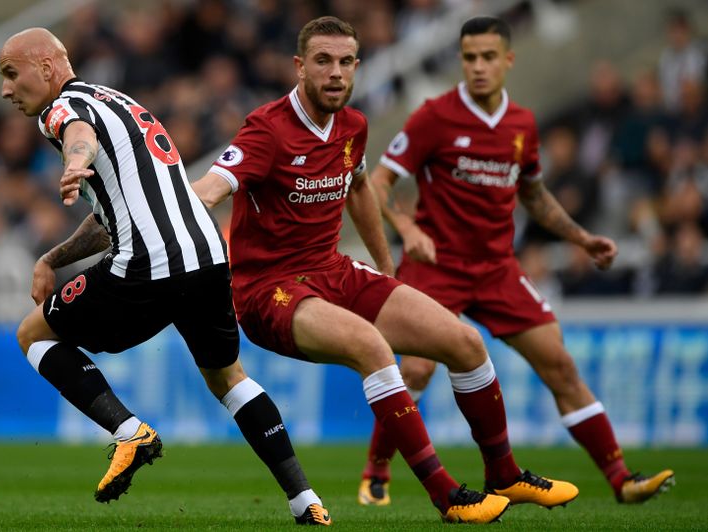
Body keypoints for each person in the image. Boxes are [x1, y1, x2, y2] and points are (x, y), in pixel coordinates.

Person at [188, 16, 576, 524]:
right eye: (323, 62)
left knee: (466, 344)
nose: (336, 74)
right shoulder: (267, 128)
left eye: (346, 62)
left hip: (333, 271)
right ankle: (446, 497)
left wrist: (388, 270)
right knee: (373, 348)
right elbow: (210, 189)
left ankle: (503, 473)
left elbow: (361, 187)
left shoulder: (353, 125)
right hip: (269, 290)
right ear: (299, 67)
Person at [0, 28, 332, 526]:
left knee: (33, 334)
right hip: (207, 258)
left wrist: (74, 163)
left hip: (147, 266)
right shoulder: (121, 101)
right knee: (228, 378)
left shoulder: (62, 108)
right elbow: (113, 213)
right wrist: (54, 258)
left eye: (11, 73)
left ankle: (128, 431)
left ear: (46, 68)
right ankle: (306, 502)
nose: (5, 89)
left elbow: (78, 136)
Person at [365, 15, 675, 506]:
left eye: (489, 57)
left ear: (509, 60)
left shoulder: (522, 125)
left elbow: (533, 193)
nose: (479, 67)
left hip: (496, 269)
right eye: (469, 58)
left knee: (560, 366)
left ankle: (621, 479)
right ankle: (376, 472)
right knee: (418, 369)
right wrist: (406, 228)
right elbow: (378, 183)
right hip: (437, 267)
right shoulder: (434, 116)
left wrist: (581, 236)